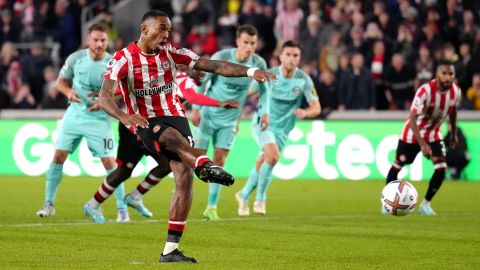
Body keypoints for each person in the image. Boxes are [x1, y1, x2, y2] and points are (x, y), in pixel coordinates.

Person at [88, 10, 275, 263]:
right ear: (144, 30)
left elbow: (216, 66)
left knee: (184, 177)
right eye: (161, 29)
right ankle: (206, 165)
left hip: (176, 116)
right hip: (146, 120)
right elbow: (105, 96)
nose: (166, 35)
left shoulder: (172, 53)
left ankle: (170, 250)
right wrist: (124, 117)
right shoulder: (123, 59)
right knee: (170, 140)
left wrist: (251, 72)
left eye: (168, 30)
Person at [84, 69, 240, 219]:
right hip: (134, 129)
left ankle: (135, 197)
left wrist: (110, 97)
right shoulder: (183, 79)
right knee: (124, 171)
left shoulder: (168, 77)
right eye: (199, 70)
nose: (203, 73)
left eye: (205, 72)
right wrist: (220, 103)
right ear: (187, 69)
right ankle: (92, 204)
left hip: (154, 130)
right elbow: (192, 97)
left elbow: (138, 89)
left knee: (167, 164)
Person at [36, 24, 131, 222]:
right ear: (88, 40)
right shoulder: (75, 58)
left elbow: (124, 89)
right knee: (58, 156)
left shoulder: (114, 63)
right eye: (95, 40)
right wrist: (69, 92)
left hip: (100, 118)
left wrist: (106, 100)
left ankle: (122, 208)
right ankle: (49, 203)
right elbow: (61, 82)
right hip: (75, 115)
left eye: (103, 40)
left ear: (107, 41)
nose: (99, 44)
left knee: (110, 163)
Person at [189, 24, 270, 221]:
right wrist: (196, 108)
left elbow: (265, 90)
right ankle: (183, 198)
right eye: (245, 42)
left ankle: (211, 207)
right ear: (237, 42)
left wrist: (265, 113)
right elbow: (205, 83)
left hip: (230, 122)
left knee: (219, 163)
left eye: (252, 43)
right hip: (207, 116)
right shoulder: (223, 56)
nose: (249, 47)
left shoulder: (258, 63)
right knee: (193, 160)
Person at [236, 41, 321, 215]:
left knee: (264, 161)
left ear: (299, 58)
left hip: (283, 129)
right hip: (263, 123)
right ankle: (260, 200)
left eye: (295, 55)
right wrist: (234, 113)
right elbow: (246, 93)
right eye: (288, 55)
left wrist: (306, 113)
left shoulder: (303, 79)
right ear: (280, 56)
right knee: (273, 157)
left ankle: (243, 195)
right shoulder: (269, 75)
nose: (291, 58)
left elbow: (316, 107)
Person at [385, 60, 462, 216]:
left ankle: (425, 204)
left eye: (451, 74)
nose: (448, 77)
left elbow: (452, 111)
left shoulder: (456, 92)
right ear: (437, 75)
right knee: (397, 166)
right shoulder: (425, 91)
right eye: (444, 73)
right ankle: (388, 202)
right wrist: (422, 144)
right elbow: (413, 119)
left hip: (434, 134)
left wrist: (453, 134)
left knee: (441, 168)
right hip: (412, 134)